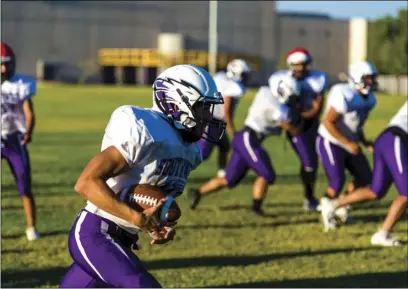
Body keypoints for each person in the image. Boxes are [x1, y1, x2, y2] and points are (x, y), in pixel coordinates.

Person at [59, 64, 226, 288]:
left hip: (123, 238)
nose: (207, 116)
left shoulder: (189, 150)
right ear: (176, 102)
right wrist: (136, 219)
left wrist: (155, 224)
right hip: (95, 233)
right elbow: (86, 183)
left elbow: (149, 197)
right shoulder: (145, 129)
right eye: (202, 107)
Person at [188, 74, 304, 215]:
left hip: (245, 138)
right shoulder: (279, 108)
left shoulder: (265, 91)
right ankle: (256, 208)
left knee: (229, 179)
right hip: (249, 139)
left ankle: (198, 192)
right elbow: (289, 126)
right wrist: (300, 122)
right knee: (267, 174)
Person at [320, 101, 407, 246]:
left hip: (388, 139)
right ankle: (382, 234)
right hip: (397, 139)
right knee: (406, 192)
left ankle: (333, 205)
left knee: (376, 191)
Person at [317, 60, 378, 231]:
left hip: (349, 141)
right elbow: (328, 122)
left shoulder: (370, 99)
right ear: (357, 78)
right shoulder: (344, 94)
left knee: (366, 178)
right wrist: (348, 143)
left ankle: (341, 204)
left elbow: (356, 124)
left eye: (372, 78)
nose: (371, 82)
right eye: (367, 78)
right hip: (331, 140)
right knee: (337, 180)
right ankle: (326, 212)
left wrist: (365, 142)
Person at [269, 47, 328, 212]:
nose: (301, 68)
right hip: (293, 124)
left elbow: (318, 107)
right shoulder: (279, 79)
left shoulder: (318, 78)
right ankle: (309, 198)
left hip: (311, 124)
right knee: (309, 162)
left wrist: (305, 111)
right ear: (290, 65)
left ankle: (309, 197)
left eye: (304, 64)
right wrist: (304, 111)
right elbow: (281, 105)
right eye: (297, 65)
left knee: (313, 163)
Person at [1, 42, 39, 241]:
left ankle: (31, 227)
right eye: (1, 64)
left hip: (14, 138)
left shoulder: (21, 84)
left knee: (24, 184)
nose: (4, 68)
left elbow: (28, 111)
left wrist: (28, 131)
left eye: (7, 63)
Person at [199, 59, 251, 178]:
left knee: (224, 146)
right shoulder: (233, 86)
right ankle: (171, 169)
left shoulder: (221, 76)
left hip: (211, 118)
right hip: (211, 120)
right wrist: (233, 132)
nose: (245, 78)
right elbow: (226, 112)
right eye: (244, 75)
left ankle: (223, 173)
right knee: (203, 154)